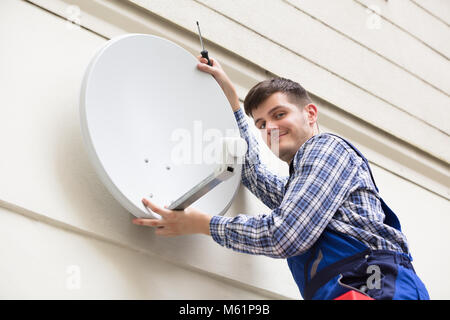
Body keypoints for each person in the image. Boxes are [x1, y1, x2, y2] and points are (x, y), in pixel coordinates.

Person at [132, 55, 430, 300]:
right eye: (261, 123)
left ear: (310, 114)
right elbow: (252, 174)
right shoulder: (302, 186)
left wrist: (202, 224)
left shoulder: (325, 149)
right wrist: (232, 102)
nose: (269, 128)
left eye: (279, 115)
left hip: (375, 289)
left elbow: (285, 235)